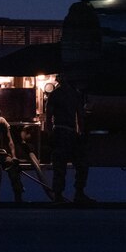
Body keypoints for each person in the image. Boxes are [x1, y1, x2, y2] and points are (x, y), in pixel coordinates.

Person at [45, 76, 95, 204]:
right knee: (77, 164)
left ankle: (60, 195)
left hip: (63, 132)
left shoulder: (56, 95)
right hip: (67, 132)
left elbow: (49, 117)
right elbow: (80, 116)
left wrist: (50, 135)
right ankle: (74, 193)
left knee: (61, 166)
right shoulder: (73, 94)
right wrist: (82, 133)